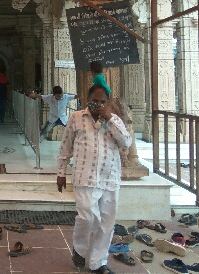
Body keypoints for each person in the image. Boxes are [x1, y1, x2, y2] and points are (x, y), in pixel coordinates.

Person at [57, 85, 132, 274]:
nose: (98, 105)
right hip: (85, 176)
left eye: (102, 102)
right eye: (95, 101)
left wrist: (110, 119)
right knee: (88, 217)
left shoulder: (114, 120)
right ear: (87, 100)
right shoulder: (76, 118)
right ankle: (79, 249)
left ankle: (98, 263)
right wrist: (61, 172)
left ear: (107, 103)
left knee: (107, 223)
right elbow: (65, 146)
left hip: (109, 178)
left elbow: (126, 142)